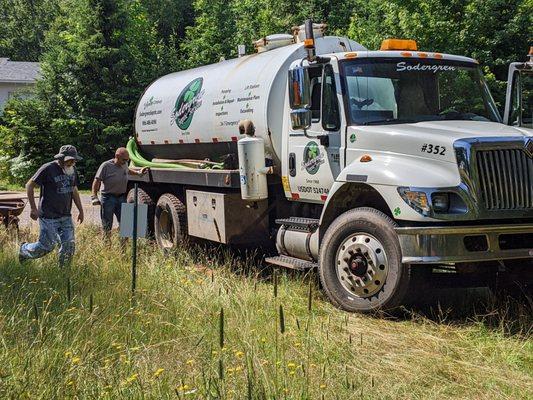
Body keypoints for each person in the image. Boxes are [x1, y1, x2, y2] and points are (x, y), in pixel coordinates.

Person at [19, 145, 84, 267]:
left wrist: (81, 210)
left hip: (65, 215)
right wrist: (33, 208)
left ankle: (64, 273)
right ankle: (24, 250)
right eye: (70, 160)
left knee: (69, 245)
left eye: (74, 160)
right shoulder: (48, 168)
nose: (73, 162)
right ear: (61, 159)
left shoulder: (72, 169)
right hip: (48, 216)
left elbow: (74, 189)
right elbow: (29, 185)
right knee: (47, 246)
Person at [91, 147, 148, 234]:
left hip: (121, 197)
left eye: (127, 160)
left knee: (126, 226)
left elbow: (128, 170)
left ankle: (123, 247)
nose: (125, 162)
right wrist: (94, 196)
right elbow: (97, 181)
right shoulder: (106, 166)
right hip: (108, 198)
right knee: (107, 225)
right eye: (124, 160)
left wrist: (138, 173)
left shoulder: (124, 164)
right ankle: (107, 246)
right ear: (117, 156)